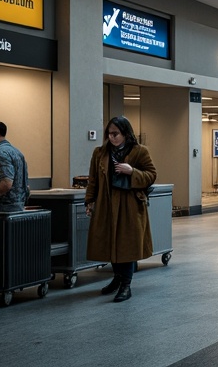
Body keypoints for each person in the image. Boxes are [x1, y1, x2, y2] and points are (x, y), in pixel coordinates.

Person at [86, 116, 157, 302]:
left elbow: (151, 175)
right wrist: (89, 201)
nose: (112, 137)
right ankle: (117, 278)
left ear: (125, 133)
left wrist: (132, 171)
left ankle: (126, 284)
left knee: (126, 244)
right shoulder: (100, 153)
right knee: (110, 242)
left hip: (129, 205)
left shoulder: (139, 151)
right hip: (106, 204)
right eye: (109, 134)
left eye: (116, 134)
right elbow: (93, 179)